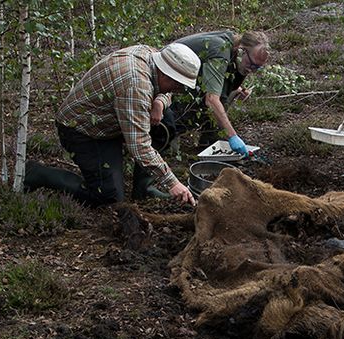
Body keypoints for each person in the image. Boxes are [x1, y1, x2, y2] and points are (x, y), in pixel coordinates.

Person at [24, 43, 201, 207]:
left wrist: (159, 102)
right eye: (177, 86)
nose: (177, 91)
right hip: (83, 130)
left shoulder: (152, 55)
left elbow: (165, 91)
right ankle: (36, 173)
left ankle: (143, 189)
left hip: (111, 119)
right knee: (108, 196)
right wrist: (173, 183)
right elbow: (139, 145)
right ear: (166, 74)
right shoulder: (136, 85)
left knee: (166, 122)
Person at [173, 30, 269, 155]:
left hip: (185, 80)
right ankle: (172, 130)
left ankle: (208, 142)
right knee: (215, 99)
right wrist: (232, 136)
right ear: (242, 50)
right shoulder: (220, 51)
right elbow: (211, 99)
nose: (252, 70)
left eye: (257, 68)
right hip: (168, 85)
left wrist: (237, 90)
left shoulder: (232, 45)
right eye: (251, 65)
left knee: (226, 92)